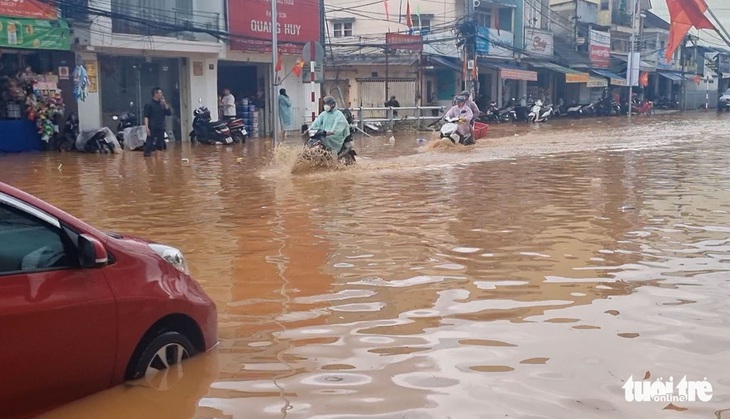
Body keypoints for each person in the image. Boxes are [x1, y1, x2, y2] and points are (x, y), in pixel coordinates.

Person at [143, 87, 171, 157]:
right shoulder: (149, 105)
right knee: (149, 144)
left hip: (161, 127)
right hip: (152, 127)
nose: (161, 94)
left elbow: (169, 113)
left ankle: (159, 160)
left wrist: (165, 104)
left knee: (160, 144)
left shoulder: (162, 104)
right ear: (155, 94)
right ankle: (148, 160)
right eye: (160, 93)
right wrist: (146, 127)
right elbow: (146, 116)